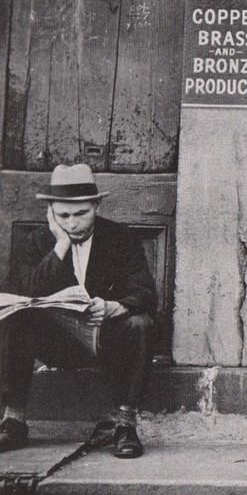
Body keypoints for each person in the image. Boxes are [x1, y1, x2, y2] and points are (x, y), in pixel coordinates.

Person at [0, 164, 158, 458]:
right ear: (50, 213)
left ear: (96, 205)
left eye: (81, 213)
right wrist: (60, 246)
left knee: (140, 323)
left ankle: (124, 422)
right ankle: (14, 419)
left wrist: (115, 307)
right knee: (15, 313)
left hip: (104, 339)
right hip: (54, 342)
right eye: (63, 216)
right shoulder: (36, 241)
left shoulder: (119, 237)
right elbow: (24, 292)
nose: (72, 223)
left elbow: (145, 291)